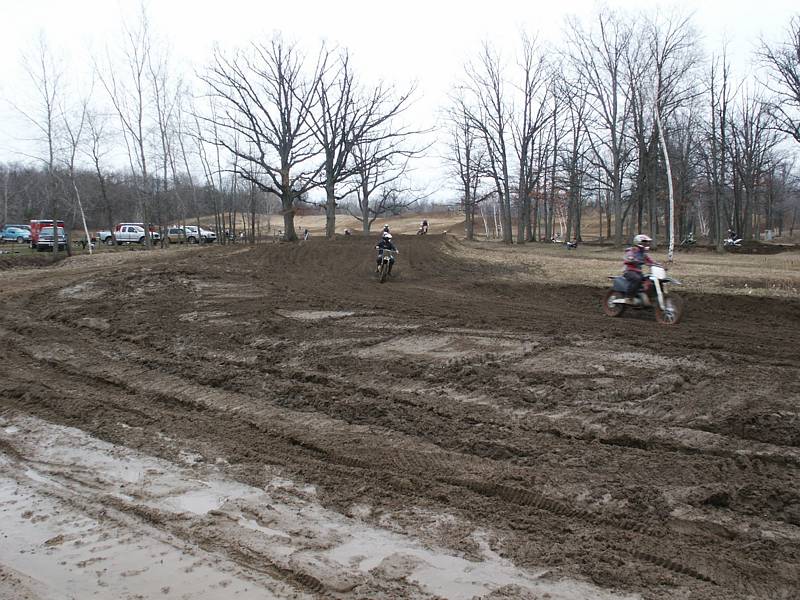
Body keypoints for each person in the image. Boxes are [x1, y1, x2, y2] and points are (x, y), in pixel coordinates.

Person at [623, 234, 656, 299]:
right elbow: (628, 258)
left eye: (647, 242)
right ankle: (629, 297)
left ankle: (647, 296)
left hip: (638, 272)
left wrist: (659, 265)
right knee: (637, 279)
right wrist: (632, 260)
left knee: (650, 280)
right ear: (638, 242)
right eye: (644, 242)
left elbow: (651, 261)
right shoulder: (632, 250)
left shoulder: (643, 254)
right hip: (629, 271)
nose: (646, 244)